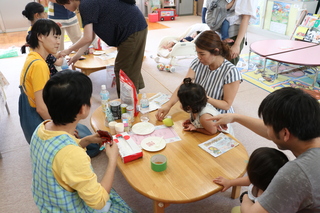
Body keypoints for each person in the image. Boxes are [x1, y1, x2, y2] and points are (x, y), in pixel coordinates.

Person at [30, 69, 133, 212]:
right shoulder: (72, 156)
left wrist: (86, 141)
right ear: (82, 109)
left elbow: (59, 155)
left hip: (48, 202)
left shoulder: (42, 128)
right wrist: (112, 160)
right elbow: (98, 202)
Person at [208, 87, 320, 212]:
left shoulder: (296, 174)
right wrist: (235, 117)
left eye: (268, 125)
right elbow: (274, 133)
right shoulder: (309, 132)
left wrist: (244, 197)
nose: (267, 129)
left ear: (285, 134)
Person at [18, 19, 99, 157]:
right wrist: (62, 129)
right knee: (92, 146)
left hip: (28, 112)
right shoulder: (39, 65)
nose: (58, 42)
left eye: (59, 37)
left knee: (83, 131)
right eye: (55, 37)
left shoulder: (32, 56)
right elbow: (41, 108)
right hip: (36, 118)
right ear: (40, 37)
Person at [56, 0, 148, 97]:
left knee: (123, 70)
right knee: (130, 64)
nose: (65, 8)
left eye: (64, 5)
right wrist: (77, 55)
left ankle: (128, 105)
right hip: (134, 27)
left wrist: (68, 50)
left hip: (132, 29)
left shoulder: (86, 5)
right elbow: (90, 36)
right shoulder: (87, 3)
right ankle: (135, 97)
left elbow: (87, 37)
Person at [156, 30, 241, 121]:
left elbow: (226, 105)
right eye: (197, 53)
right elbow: (184, 85)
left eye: (202, 54)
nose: (199, 57)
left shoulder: (231, 72)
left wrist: (202, 98)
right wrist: (168, 105)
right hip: (198, 110)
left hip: (217, 116)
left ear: (216, 51)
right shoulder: (198, 62)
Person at [213, 147, 288, 204]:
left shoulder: (264, 201)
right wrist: (230, 182)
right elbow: (250, 180)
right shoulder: (266, 181)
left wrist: (245, 197)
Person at [21, 2, 63, 77]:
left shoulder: (31, 30)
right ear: (37, 15)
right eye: (43, 13)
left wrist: (53, 27)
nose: (45, 15)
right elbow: (58, 62)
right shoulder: (40, 63)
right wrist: (61, 57)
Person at [224, 0, 258, 65]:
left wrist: (237, 44)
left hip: (232, 34)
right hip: (218, 31)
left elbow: (246, 18)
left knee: (226, 67)